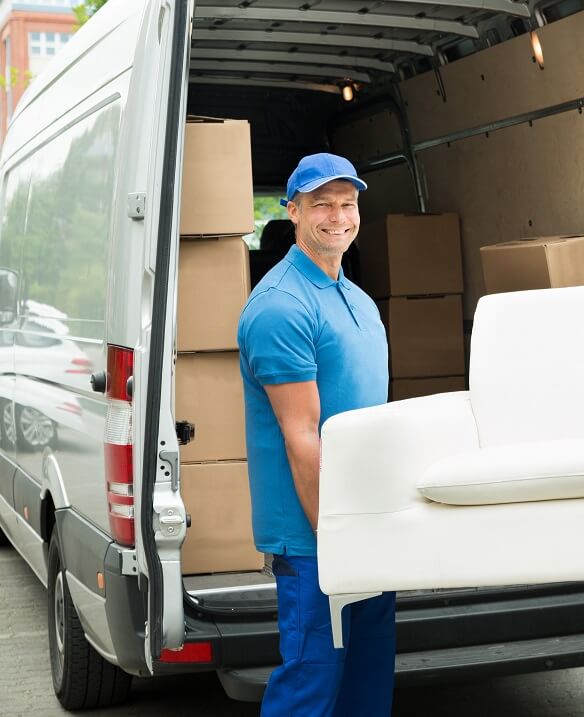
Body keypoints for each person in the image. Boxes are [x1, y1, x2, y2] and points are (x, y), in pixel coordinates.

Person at [238, 153, 395, 716]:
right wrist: (335, 538)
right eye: (322, 203)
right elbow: (302, 435)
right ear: (293, 210)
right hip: (316, 539)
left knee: (367, 678)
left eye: (347, 203)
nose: (337, 216)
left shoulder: (355, 298)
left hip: (367, 525)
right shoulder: (281, 306)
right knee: (312, 680)